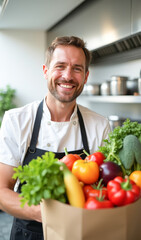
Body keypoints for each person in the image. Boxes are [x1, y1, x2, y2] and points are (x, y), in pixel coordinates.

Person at [0, 36, 111, 239]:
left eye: (77, 68)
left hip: (82, 232)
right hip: (28, 233)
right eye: (60, 66)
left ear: (86, 77)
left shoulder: (99, 125)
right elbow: (2, 191)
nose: (67, 76)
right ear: (46, 71)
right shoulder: (17, 120)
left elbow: (105, 190)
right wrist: (46, 213)